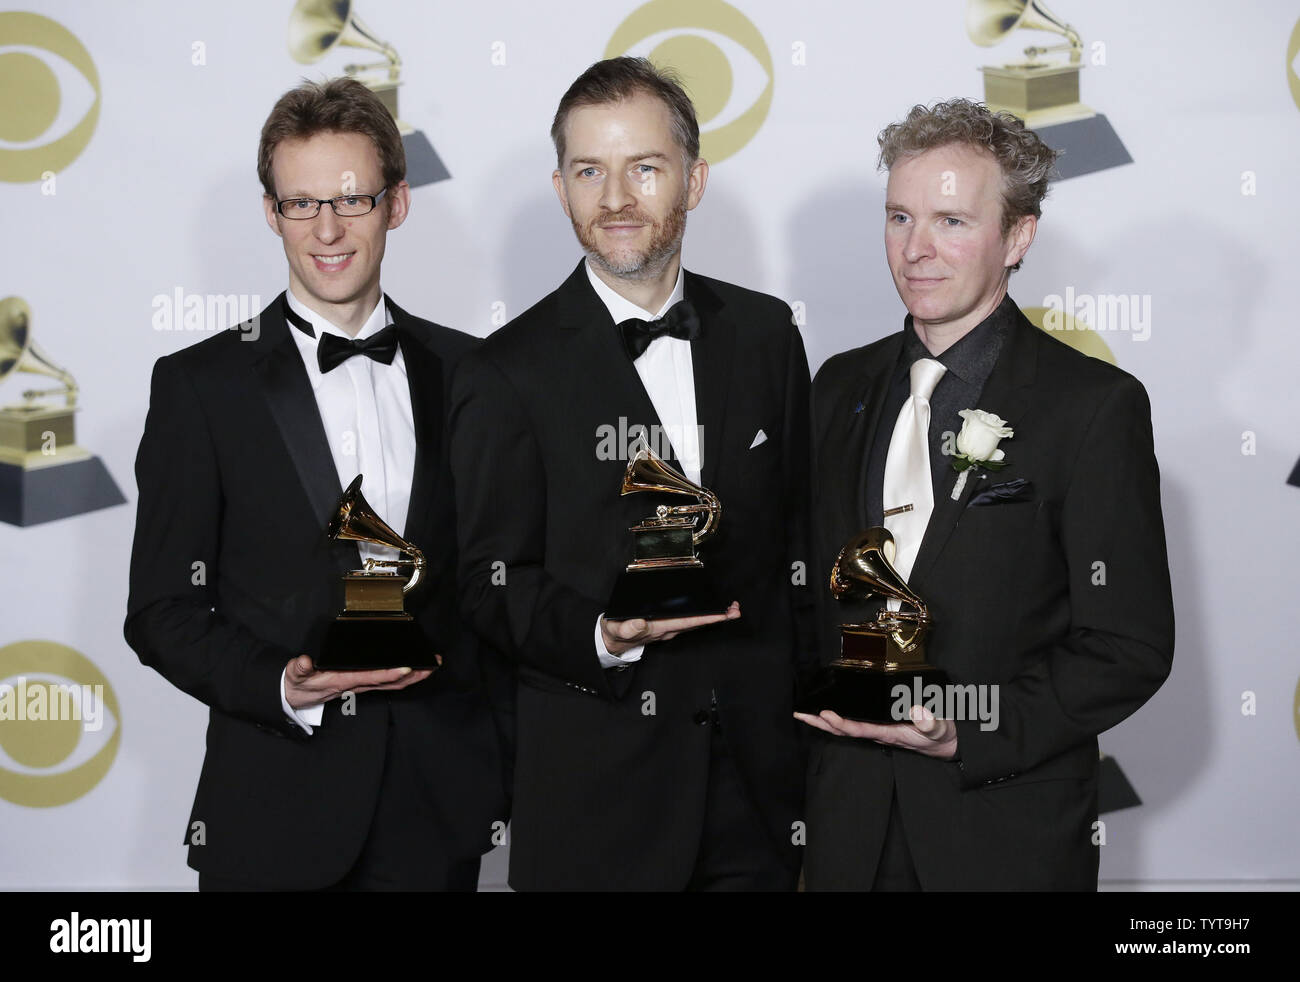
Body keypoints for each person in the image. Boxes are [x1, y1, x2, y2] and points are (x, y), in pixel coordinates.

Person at [124, 78, 508, 891]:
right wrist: (281, 683)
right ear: (272, 213)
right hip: (273, 804)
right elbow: (161, 609)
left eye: (352, 200)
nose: (327, 230)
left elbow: (498, 582)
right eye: (301, 204)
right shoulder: (200, 386)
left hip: (437, 811)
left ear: (396, 204)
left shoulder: (475, 371)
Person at [449, 57, 813, 891]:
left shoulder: (766, 335)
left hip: (761, 801)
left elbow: (799, 543)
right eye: (590, 172)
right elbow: (486, 582)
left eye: (644, 168)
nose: (616, 198)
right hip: (594, 808)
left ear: (694, 178)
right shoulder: (504, 372)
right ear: (561, 187)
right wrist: (602, 634)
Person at [796, 98, 1174, 890]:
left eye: (952, 221)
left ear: (1019, 235)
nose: (917, 250)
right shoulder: (838, 386)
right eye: (899, 218)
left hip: (1005, 836)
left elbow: (1127, 647)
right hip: (844, 833)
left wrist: (970, 728)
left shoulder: (1093, 406)